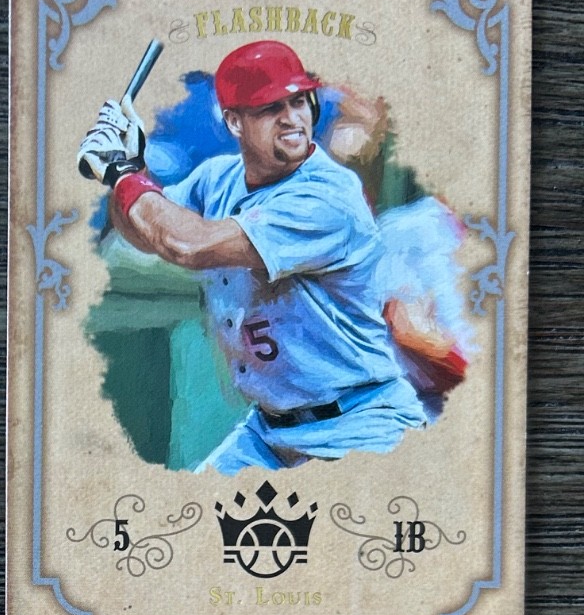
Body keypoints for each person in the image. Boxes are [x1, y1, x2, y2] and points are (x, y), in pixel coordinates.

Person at [78, 39, 427, 473]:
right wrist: (131, 172)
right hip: (268, 432)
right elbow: (147, 232)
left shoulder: (330, 197)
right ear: (234, 121)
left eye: (298, 101)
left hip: (359, 424)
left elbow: (188, 244)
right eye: (270, 108)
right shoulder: (217, 178)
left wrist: (124, 175)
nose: (292, 118)